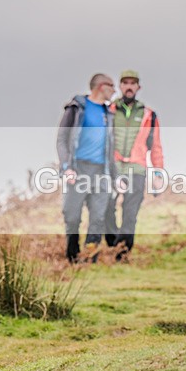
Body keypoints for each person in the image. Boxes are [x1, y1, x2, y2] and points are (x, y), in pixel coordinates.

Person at [57, 74, 118, 263]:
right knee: (71, 214)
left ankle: (90, 257)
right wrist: (67, 167)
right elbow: (62, 140)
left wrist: (116, 178)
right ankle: (73, 256)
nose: (115, 91)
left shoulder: (108, 114)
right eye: (111, 86)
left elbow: (111, 148)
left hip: (101, 171)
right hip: (78, 169)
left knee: (98, 217)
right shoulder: (77, 108)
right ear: (100, 86)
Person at [104, 70, 165, 260]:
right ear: (120, 86)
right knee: (106, 206)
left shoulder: (149, 115)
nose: (129, 86)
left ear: (138, 87)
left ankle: (122, 253)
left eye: (133, 83)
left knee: (130, 213)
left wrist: (158, 175)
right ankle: (113, 243)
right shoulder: (108, 111)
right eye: (125, 83)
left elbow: (155, 147)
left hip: (137, 169)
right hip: (112, 167)